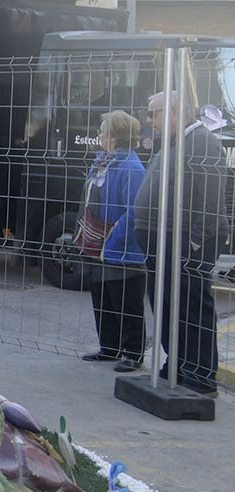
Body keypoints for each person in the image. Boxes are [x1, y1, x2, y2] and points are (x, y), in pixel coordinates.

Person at [134, 91, 229, 395]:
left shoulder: (202, 142)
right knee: (168, 305)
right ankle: (177, 365)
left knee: (192, 306)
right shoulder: (177, 141)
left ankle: (200, 375)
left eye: (154, 113)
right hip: (164, 240)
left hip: (186, 242)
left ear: (175, 112)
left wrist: (195, 242)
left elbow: (211, 198)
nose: (149, 120)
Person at [80, 111, 147, 372]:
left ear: (116, 137)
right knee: (104, 297)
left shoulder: (131, 167)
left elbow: (134, 211)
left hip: (119, 248)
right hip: (100, 246)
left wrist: (111, 239)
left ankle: (133, 352)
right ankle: (109, 347)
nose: (99, 134)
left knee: (126, 301)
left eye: (103, 130)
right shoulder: (102, 162)